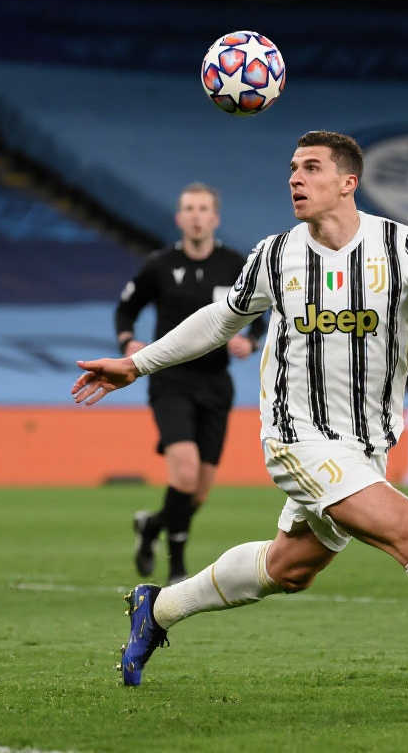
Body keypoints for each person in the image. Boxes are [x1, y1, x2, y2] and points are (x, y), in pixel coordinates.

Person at [73, 131, 408, 701]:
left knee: (289, 567)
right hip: (297, 438)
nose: (295, 179)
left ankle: (157, 608)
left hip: (366, 447)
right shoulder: (275, 254)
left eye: (311, 168)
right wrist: (136, 364)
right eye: (293, 168)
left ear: (348, 182)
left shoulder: (402, 247)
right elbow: (221, 320)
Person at [114, 182, 265, 584]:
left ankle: (151, 526)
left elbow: (261, 313)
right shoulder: (159, 265)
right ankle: (177, 569)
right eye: (189, 209)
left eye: (203, 209)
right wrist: (128, 341)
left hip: (216, 384)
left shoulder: (235, 265)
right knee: (184, 473)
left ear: (215, 218)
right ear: (179, 218)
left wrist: (250, 341)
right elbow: (126, 308)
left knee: (197, 493)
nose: (196, 216)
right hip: (171, 380)